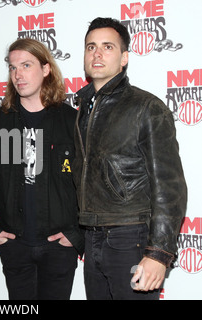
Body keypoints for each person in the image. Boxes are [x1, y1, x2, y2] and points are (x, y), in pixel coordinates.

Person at [73, 17, 187, 300]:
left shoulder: (147, 107)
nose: (97, 54)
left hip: (130, 237)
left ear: (124, 58)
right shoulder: (82, 111)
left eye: (107, 47)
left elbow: (169, 186)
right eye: (91, 47)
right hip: (92, 236)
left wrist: (159, 254)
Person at [0, 38, 84, 300]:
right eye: (12, 68)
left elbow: (86, 184)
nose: (18, 75)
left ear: (46, 69)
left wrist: (77, 233)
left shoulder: (72, 122)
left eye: (26, 65)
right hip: (16, 247)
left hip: (59, 248)